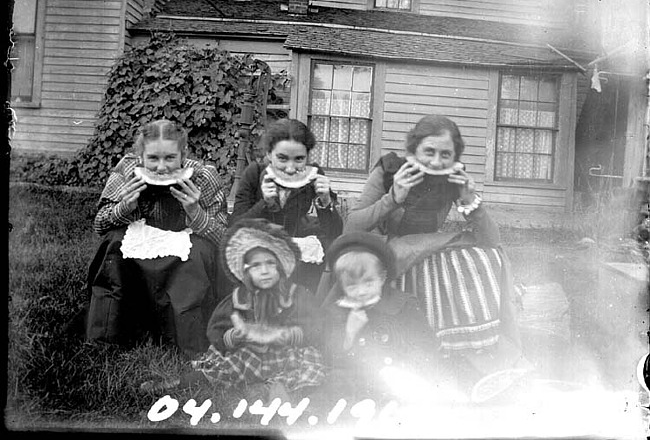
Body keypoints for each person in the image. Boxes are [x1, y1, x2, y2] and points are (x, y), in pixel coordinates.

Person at [343, 114, 531, 402]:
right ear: (413, 150)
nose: (435, 161)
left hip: (425, 248)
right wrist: (393, 197)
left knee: (488, 257)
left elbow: (492, 240)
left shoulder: (452, 179)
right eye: (428, 152)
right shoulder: (390, 170)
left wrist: (470, 200)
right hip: (385, 248)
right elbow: (352, 226)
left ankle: (472, 352)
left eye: (445, 154)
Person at [85, 119, 230, 356]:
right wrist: (125, 206)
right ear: (140, 156)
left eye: (170, 158)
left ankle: (185, 340)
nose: (161, 168)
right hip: (135, 263)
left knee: (199, 252)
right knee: (113, 242)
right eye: (153, 158)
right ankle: (109, 336)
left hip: (181, 263)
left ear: (183, 155)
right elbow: (100, 224)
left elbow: (224, 239)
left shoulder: (203, 176)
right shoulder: (126, 170)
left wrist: (195, 213)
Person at [141, 218, 327, 402]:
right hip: (249, 354)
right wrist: (234, 336)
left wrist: (292, 334)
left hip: (286, 354)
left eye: (271, 264)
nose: (264, 271)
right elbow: (216, 331)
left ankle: (274, 389)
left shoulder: (296, 295)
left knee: (310, 360)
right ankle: (177, 384)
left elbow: (315, 327)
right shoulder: (239, 299)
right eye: (256, 266)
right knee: (230, 364)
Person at [315, 232, 439, 407]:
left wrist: (405, 369)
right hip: (354, 383)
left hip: (398, 378)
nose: (361, 291)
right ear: (342, 286)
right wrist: (349, 334)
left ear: (382, 277)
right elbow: (328, 356)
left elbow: (426, 346)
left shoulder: (404, 305)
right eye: (352, 285)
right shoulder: (337, 310)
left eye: (368, 282)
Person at [230, 118, 343, 296]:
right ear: (269, 154)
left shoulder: (314, 175)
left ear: (307, 157)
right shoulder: (254, 173)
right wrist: (264, 203)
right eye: (282, 158)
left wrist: (326, 201)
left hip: (297, 255)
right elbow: (235, 227)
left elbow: (334, 232)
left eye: (299, 159)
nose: (290, 169)